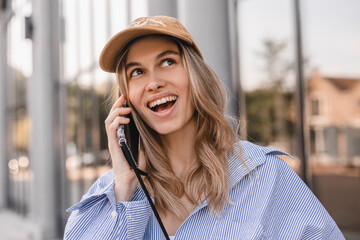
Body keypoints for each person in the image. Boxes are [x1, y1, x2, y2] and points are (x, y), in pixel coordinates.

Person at [64, 16, 344, 240]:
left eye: (167, 62)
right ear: (125, 101)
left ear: (196, 76)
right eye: (137, 72)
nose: (153, 82)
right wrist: (124, 186)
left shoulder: (265, 176)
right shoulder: (111, 191)